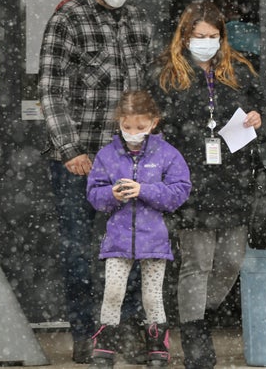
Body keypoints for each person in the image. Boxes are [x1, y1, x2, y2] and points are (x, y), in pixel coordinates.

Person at [38, 0, 153, 363]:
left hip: (130, 159)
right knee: (80, 250)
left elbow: (149, 90)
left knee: (136, 247)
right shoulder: (68, 19)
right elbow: (50, 89)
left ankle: (129, 332)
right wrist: (70, 149)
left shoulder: (140, 21)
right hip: (81, 160)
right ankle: (85, 332)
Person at [152, 0, 262, 369]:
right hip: (188, 178)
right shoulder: (168, 75)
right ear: (185, 36)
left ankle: (199, 313)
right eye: (200, 36)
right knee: (197, 262)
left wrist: (256, 119)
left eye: (213, 36)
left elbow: (261, 111)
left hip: (232, 176)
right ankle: (195, 332)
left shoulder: (239, 70)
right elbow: (156, 125)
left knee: (231, 260)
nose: (207, 42)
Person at [86, 90, 191, 368]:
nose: (133, 133)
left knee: (152, 295)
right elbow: (94, 194)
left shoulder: (167, 154)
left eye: (140, 127)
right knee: (113, 291)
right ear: (118, 121)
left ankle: (157, 345)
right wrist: (112, 194)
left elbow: (180, 191)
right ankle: (104, 344)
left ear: (154, 122)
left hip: (155, 238)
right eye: (127, 126)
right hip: (118, 239)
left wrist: (145, 190)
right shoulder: (107, 155)